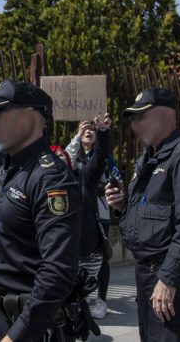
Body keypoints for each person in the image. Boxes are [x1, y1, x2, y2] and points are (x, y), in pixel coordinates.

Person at [0, 79, 83, 342]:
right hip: (0, 316)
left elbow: (58, 270)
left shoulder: (51, 179)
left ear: (28, 118)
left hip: (33, 325)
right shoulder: (8, 169)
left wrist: (18, 335)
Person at [106, 88, 180, 341]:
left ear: (166, 115)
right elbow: (156, 214)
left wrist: (169, 280)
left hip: (171, 279)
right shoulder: (148, 159)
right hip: (147, 276)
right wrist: (124, 206)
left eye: (142, 116)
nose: (136, 124)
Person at [65, 117, 122, 320]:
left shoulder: (104, 156)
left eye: (92, 129)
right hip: (78, 215)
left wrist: (104, 186)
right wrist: (76, 137)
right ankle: (79, 296)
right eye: (85, 128)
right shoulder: (74, 155)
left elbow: (117, 180)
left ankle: (101, 300)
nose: (89, 132)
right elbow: (63, 164)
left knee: (101, 257)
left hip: (100, 213)